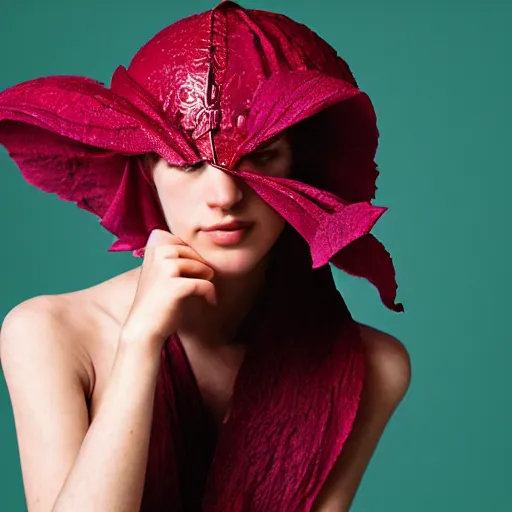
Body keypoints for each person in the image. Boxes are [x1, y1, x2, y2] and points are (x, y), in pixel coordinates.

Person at [0, 1, 411, 511]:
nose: (224, 195)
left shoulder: (371, 367)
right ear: (148, 168)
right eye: (186, 161)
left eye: (261, 156)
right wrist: (139, 345)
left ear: (300, 167)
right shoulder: (48, 334)